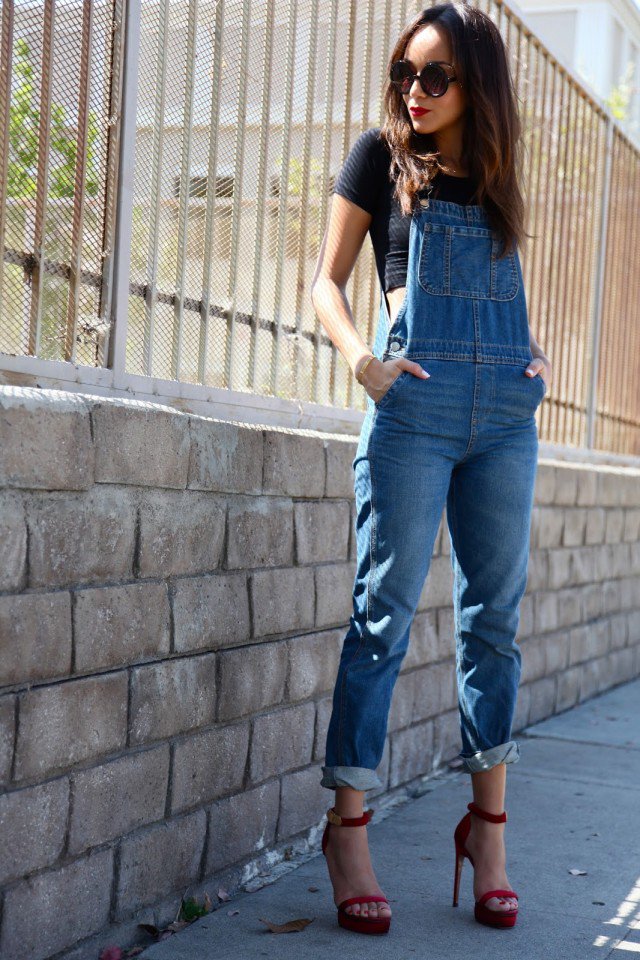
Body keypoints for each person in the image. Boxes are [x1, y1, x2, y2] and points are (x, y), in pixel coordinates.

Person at [310, 0, 552, 937]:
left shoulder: (497, 180)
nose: (416, 90)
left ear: (475, 86)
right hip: (412, 412)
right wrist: (360, 362)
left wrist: (533, 357)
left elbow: (506, 300)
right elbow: (326, 281)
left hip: (504, 421)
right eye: (406, 73)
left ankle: (489, 837)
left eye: (437, 76)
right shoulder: (379, 160)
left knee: (494, 625)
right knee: (382, 617)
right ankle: (348, 833)